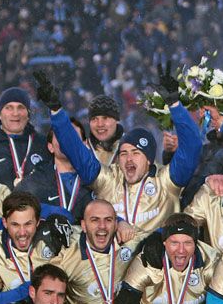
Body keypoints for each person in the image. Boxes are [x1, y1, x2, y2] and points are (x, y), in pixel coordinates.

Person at [34, 68, 202, 232]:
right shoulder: (108, 181)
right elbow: (75, 150)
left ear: (149, 160)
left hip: (157, 251)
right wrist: (56, 111)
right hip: (114, 252)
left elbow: (192, 146)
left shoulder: (167, 181)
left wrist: (175, 105)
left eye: (136, 153)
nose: (129, 159)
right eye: (123, 153)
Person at [0, 192, 59, 304]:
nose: (22, 233)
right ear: (5, 223)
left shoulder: (54, 238)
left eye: (28, 224)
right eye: (15, 224)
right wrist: (28, 290)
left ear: (38, 222)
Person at [17, 119, 94, 223]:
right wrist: (46, 210)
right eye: (61, 135)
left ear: (84, 144)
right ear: (50, 147)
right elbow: (13, 205)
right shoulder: (36, 180)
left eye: (73, 135)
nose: (67, 140)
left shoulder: (97, 178)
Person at [86, 94, 124, 167]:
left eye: (105, 118)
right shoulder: (83, 149)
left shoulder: (130, 147)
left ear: (116, 120)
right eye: (94, 119)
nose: (100, 124)